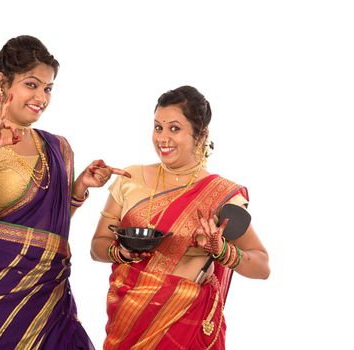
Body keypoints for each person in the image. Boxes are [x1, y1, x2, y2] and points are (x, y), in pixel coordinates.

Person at [0, 35, 128, 349]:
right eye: (32, 84)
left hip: (51, 301)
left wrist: (77, 190)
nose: (42, 97)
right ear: (2, 83)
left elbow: (49, 227)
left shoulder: (57, 146)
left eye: (48, 88)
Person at [91, 86, 270, 349]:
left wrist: (223, 252)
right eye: (158, 127)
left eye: (174, 128)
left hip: (187, 328)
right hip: (128, 325)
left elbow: (262, 266)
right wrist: (120, 253)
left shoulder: (221, 195)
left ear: (200, 135)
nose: (162, 138)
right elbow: (97, 247)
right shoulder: (130, 179)